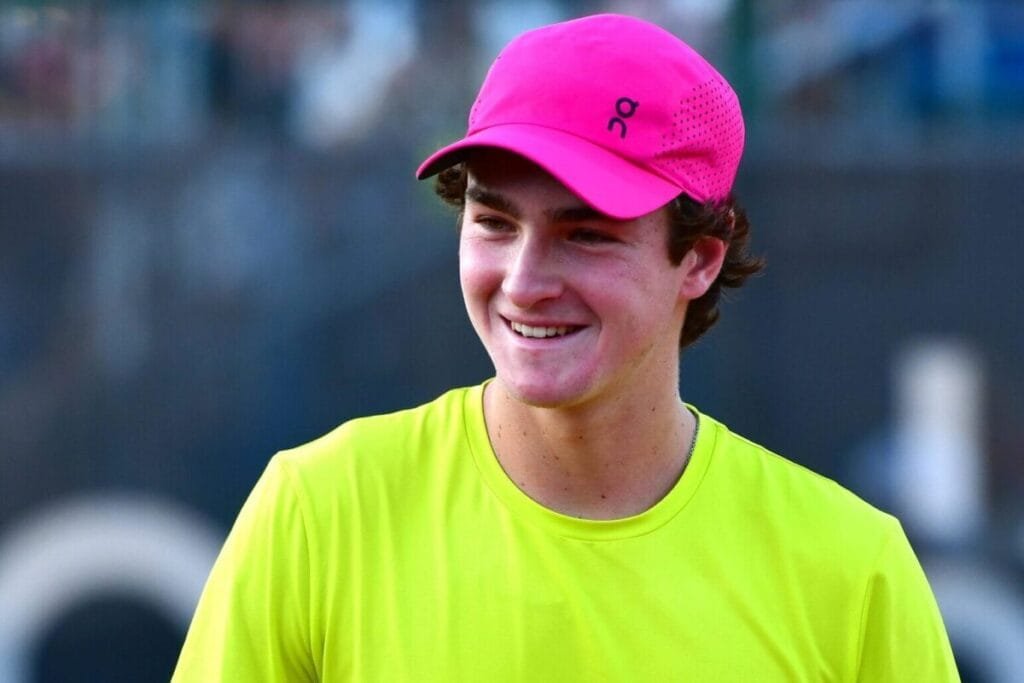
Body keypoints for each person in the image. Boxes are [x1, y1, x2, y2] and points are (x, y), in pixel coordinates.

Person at [173, 14, 959, 682]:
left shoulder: (853, 572)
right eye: (494, 222)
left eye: (585, 234)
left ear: (698, 260)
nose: (523, 281)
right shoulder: (317, 512)